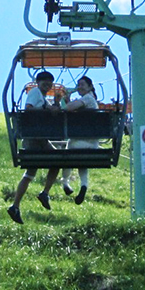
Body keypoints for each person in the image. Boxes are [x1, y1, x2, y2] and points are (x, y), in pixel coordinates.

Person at [7, 71, 61, 224]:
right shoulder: (35, 93)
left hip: (39, 138)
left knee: (33, 172)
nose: (47, 85)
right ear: (38, 83)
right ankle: (41, 194)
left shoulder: (42, 98)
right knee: (55, 162)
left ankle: (16, 205)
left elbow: (53, 112)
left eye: (50, 82)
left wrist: (56, 103)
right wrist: (46, 110)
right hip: (34, 138)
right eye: (44, 81)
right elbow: (29, 108)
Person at [60, 75, 99, 205]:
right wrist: (68, 99)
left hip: (77, 144)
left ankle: (65, 181)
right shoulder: (91, 101)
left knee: (69, 149)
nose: (79, 87)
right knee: (82, 161)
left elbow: (67, 108)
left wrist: (65, 101)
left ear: (90, 87)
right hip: (92, 145)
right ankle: (84, 185)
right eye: (78, 84)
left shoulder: (87, 98)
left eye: (82, 84)